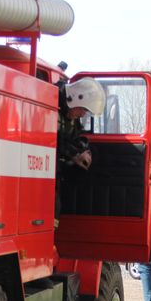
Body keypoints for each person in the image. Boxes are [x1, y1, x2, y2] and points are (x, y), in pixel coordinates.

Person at [55, 77, 106, 226]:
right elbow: (52, 140)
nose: (83, 115)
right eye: (83, 109)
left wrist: (82, 150)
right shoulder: (51, 107)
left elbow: (71, 138)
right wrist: (74, 155)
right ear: (75, 99)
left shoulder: (70, 116)